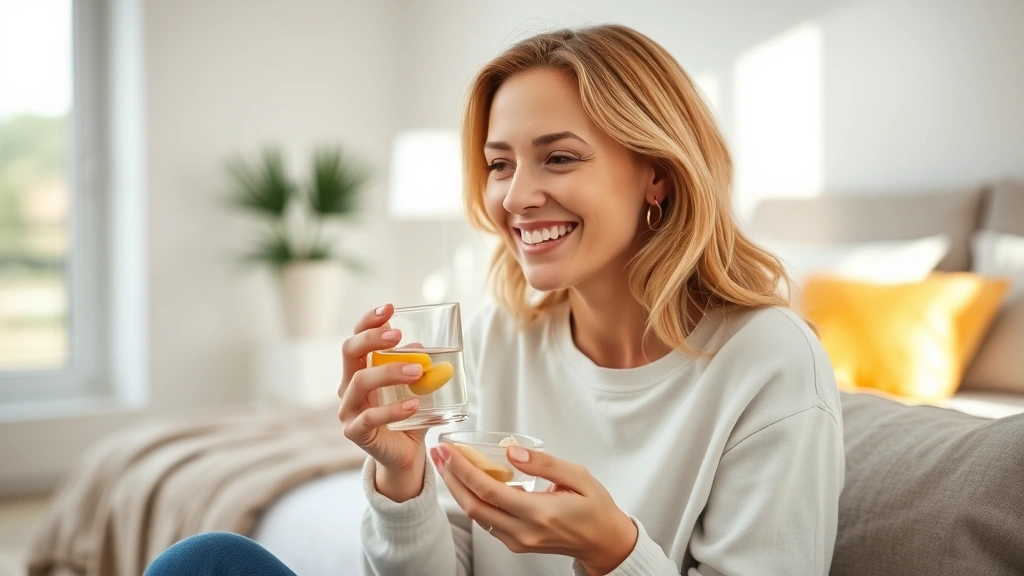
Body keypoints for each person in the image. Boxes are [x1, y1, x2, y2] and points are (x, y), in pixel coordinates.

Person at [146, 23, 842, 576]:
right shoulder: (499, 338)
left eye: (559, 157)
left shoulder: (768, 362)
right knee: (203, 563)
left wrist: (614, 552)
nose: (515, 196)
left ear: (656, 175)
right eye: (499, 164)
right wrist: (403, 476)